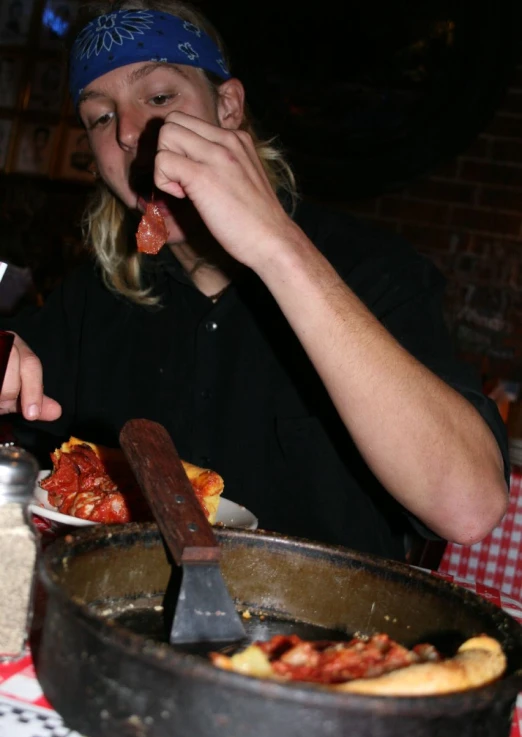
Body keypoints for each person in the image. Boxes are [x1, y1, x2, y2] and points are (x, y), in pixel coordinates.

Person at [0, 0, 509, 560]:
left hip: (326, 640)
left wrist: (275, 245)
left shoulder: (372, 267)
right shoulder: (90, 300)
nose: (126, 132)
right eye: (99, 116)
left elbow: (469, 507)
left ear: (228, 106)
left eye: (160, 97)